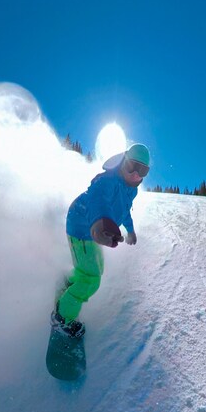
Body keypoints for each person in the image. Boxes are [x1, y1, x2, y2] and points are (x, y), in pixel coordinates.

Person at [52, 143, 151, 338]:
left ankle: (70, 282)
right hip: (82, 225)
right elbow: (98, 200)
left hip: (94, 229)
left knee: (96, 269)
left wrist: (130, 231)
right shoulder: (107, 180)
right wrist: (99, 222)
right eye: (133, 166)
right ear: (124, 162)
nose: (135, 174)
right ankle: (62, 319)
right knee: (91, 279)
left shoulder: (131, 190)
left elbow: (123, 211)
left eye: (143, 171)